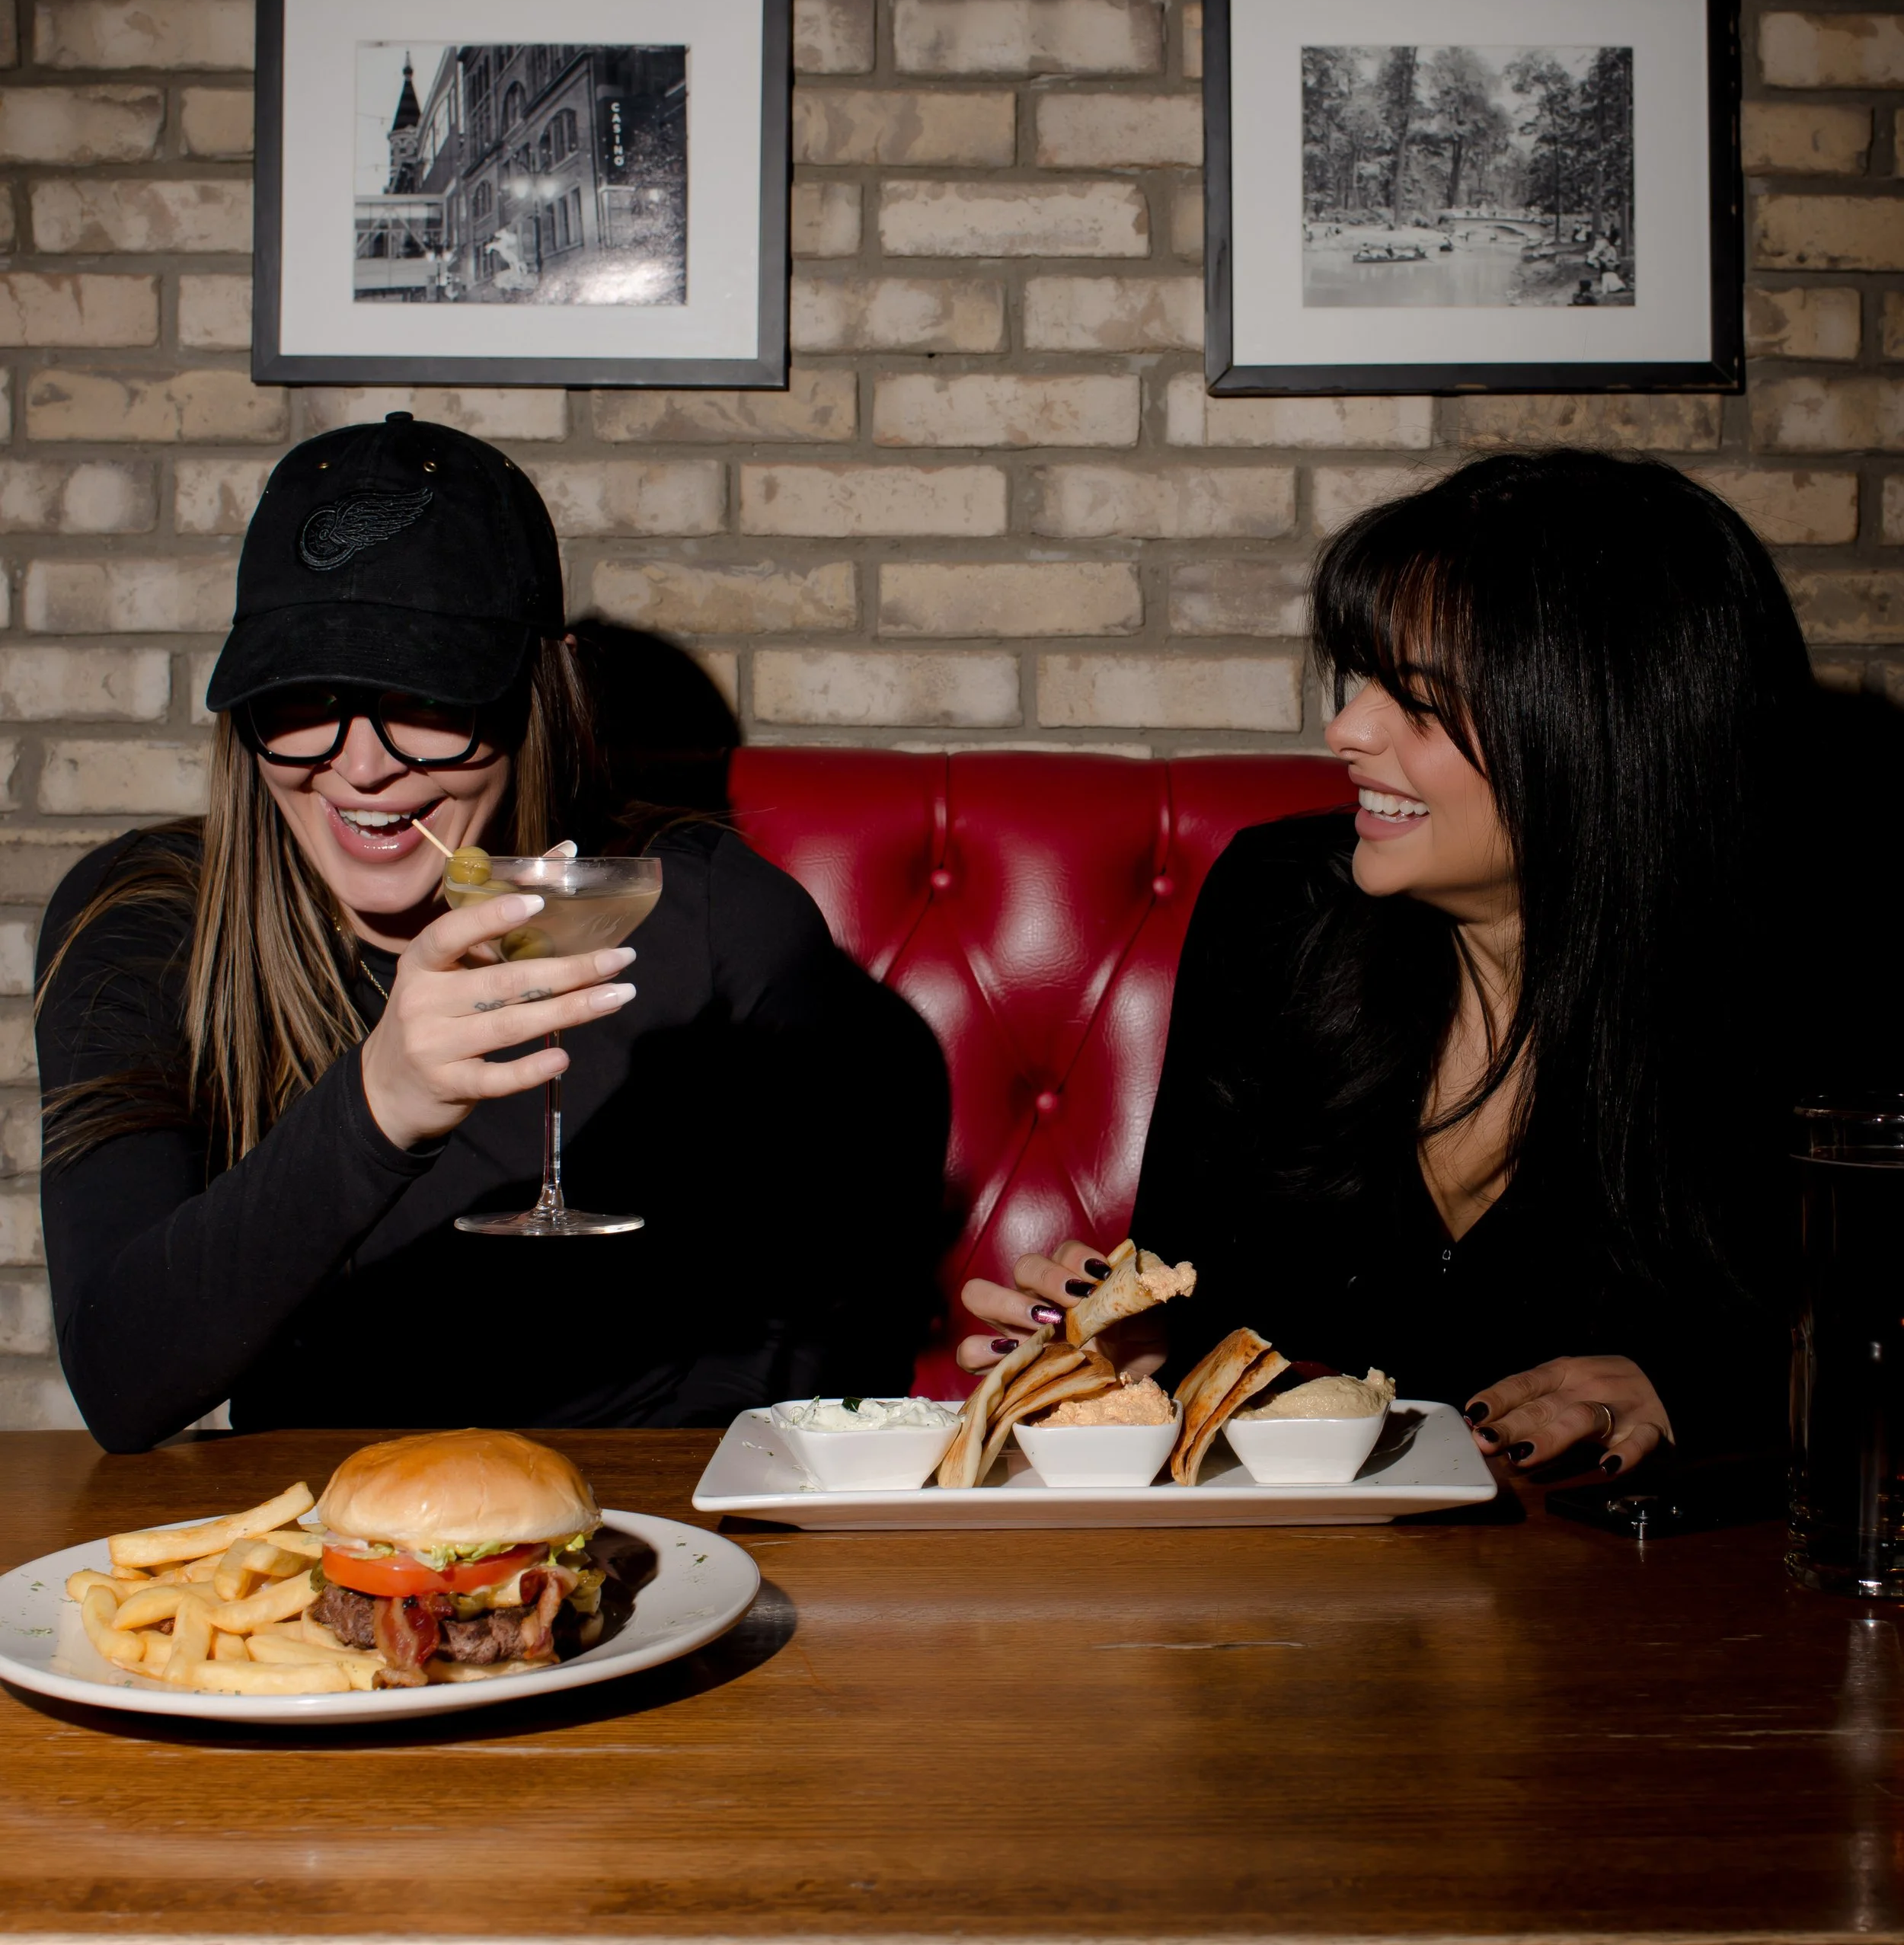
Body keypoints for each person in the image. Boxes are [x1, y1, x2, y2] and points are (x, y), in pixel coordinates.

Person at [37, 412, 946, 1452]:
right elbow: (120, 1382)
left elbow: (801, 1353)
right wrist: (379, 1105)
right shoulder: (151, 922)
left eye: (424, 695)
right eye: (302, 697)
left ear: (536, 688)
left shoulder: (709, 923)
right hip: (312, 1539)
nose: (361, 764)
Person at [960, 449, 1866, 1476]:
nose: (1347, 729)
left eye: (1421, 700)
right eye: (1365, 682)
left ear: (1603, 742)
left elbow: (1855, 1350)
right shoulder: (1279, 906)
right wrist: (1133, 1349)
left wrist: (1712, 1391)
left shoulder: (1811, 992)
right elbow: (1191, 1283)